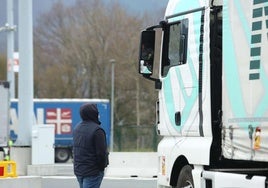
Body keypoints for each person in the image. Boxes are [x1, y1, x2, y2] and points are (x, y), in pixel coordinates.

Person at [73, 103, 109, 188]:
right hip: (92, 171)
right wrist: (101, 168)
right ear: (94, 113)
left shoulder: (77, 128)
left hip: (79, 170)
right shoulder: (97, 130)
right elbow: (101, 153)